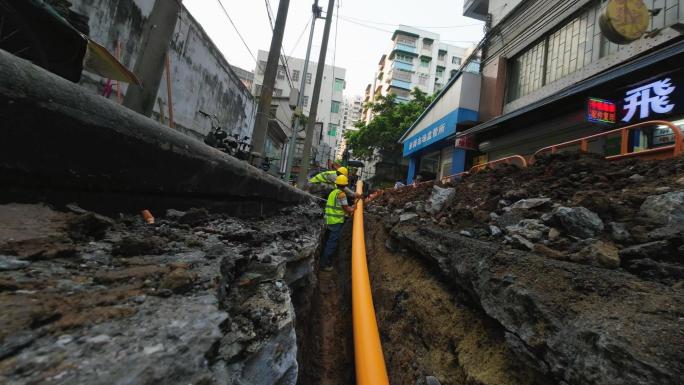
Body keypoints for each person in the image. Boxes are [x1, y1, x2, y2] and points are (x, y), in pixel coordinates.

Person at [320, 175, 356, 272]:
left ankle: (323, 261)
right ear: (345, 185)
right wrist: (354, 207)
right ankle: (324, 265)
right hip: (335, 222)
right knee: (331, 244)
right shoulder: (341, 194)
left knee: (327, 242)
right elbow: (347, 209)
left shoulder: (333, 192)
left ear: (337, 184)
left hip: (329, 220)